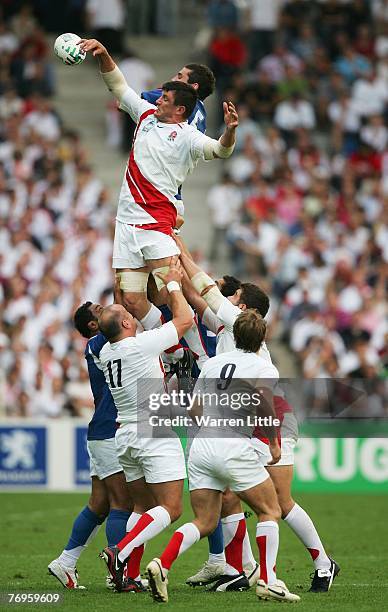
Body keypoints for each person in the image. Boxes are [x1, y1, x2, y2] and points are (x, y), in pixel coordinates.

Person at [178, 238, 340, 593]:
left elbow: (206, 290)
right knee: (229, 498)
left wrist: (178, 250)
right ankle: (248, 569)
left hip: (271, 418)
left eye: (232, 297)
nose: (226, 299)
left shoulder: (238, 321)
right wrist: (174, 279)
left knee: (279, 503)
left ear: (244, 306)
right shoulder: (228, 328)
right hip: (245, 420)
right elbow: (196, 298)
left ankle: (323, 563)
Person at [78, 38, 238, 324]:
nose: (159, 98)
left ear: (180, 108)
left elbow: (221, 150)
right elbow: (118, 86)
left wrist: (230, 131)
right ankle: (175, 352)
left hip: (157, 218)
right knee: (129, 297)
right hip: (128, 221)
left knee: (175, 289)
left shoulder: (188, 135)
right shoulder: (147, 114)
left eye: (166, 96)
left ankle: (217, 333)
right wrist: (103, 54)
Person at [146, 309, 300, 604]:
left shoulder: (214, 362)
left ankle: (162, 564)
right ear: (262, 339)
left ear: (235, 336)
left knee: (204, 520)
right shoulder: (263, 366)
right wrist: (274, 444)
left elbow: (195, 408)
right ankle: (268, 580)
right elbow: (266, 405)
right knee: (270, 510)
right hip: (233, 445)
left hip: (203, 446)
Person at [98, 258, 193, 592]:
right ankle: (119, 552)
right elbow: (185, 319)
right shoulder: (139, 345)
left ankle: (129, 574)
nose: (132, 314)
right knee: (172, 508)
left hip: (125, 433)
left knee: (143, 506)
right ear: (126, 321)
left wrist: (124, 283)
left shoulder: (106, 354)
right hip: (152, 430)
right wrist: (175, 283)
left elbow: (117, 317)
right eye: (128, 314)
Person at [48, 302, 153, 592]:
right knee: (125, 504)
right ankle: (119, 572)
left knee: (100, 504)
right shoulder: (101, 342)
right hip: (110, 430)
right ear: (94, 325)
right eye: (98, 309)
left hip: (102, 430)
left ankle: (66, 562)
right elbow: (122, 321)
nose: (106, 307)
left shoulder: (105, 343)